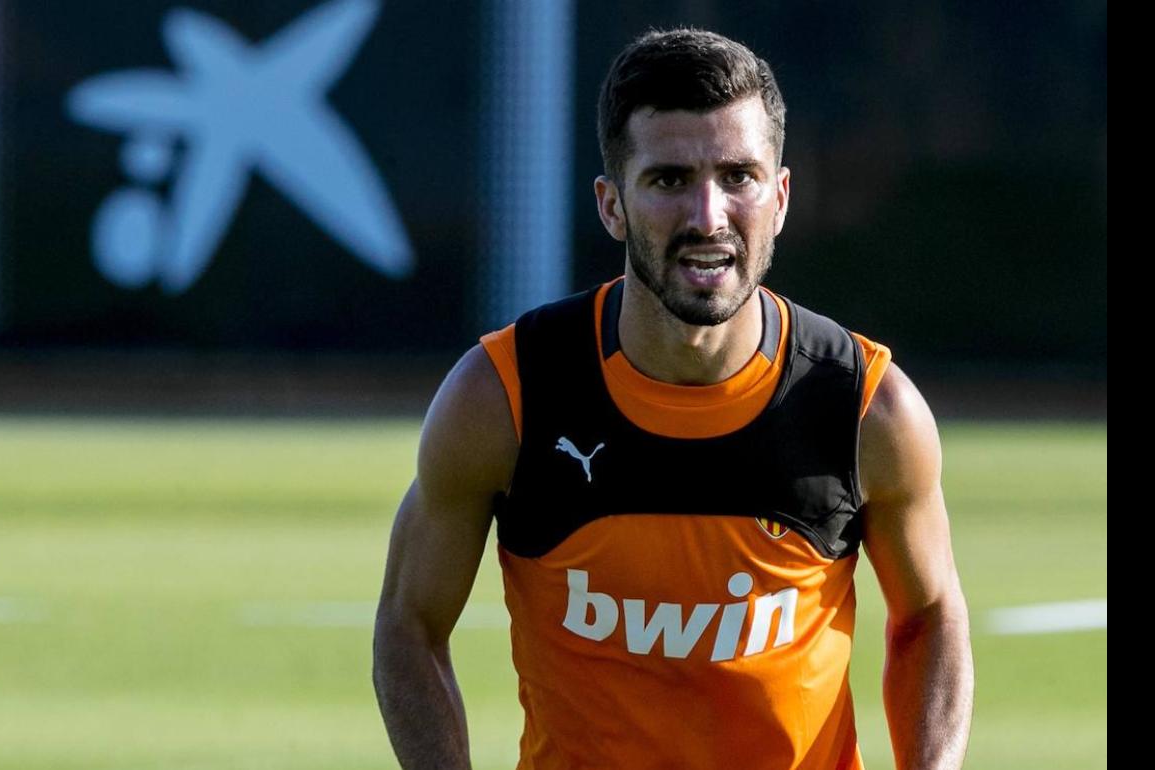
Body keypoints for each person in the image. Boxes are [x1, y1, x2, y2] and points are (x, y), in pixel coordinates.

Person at [374, 27, 973, 770]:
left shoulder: (865, 407)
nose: (708, 217)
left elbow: (931, 613)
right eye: (668, 180)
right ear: (612, 204)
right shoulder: (504, 396)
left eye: (738, 177)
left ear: (780, 196)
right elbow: (409, 623)